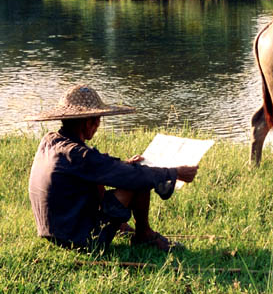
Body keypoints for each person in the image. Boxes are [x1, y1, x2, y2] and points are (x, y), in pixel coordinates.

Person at [26, 84, 198, 251]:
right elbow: (111, 170)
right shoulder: (79, 155)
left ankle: (122, 226)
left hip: (54, 232)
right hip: (79, 239)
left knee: (132, 172)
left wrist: (124, 165)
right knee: (138, 178)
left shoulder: (50, 141)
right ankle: (144, 234)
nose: (98, 124)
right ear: (88, 123)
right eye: (98, 120)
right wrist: (176, 172)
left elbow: (94, 168)